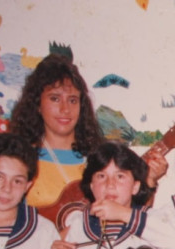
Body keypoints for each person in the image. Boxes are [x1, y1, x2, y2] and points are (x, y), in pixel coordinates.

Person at [8, 53, 104, 208]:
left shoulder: (98, 159)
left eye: (72, 100)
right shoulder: (21, 159)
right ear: (37, 103)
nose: (65, 109)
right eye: (55, 99)